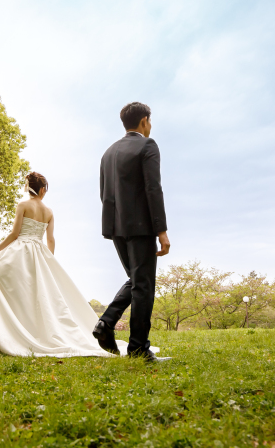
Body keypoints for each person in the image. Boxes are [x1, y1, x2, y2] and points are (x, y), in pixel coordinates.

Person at [0, 171, 121, 357]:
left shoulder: (23, 205)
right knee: (35, 295)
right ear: (41, 190)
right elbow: (51, 240)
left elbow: (15, 234)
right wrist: (49, 262)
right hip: (39, 252)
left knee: (12, 291)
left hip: (20, 252)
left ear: (28, 187)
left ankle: (8, 329)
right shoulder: (49, 212)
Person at [93, 102, 170, 362]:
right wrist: (161, 231)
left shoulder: (108, 152)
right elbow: (153, 189)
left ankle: (105, 323)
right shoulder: (148, 145)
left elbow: (103, 192)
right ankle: (138, 348)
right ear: (145, 121)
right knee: (144, 285)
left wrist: (114, 224)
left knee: (137, 281)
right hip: (141, 227)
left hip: (115, 226)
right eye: (150, 121)